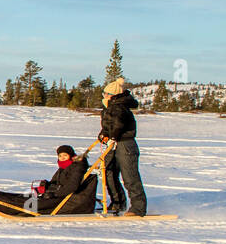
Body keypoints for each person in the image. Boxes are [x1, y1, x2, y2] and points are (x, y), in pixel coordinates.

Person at [99, 78, 146, 217]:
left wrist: (112, 137)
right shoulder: (110, 105)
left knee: (130, 176)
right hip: (113, 143)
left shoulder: (119, 106)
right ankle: (118, 203)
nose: (104, 96)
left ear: (112, 95)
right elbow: (108, 125)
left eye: (106, 94)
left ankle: (138, 208)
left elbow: (118, 125)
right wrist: (103, 135)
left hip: (125, 144)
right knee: (108, 171)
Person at [31, 144, 96, 214]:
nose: (62, 158)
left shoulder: (77, 167)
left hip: (63, 199)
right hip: (58, 195)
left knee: (26, 203)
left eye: (65, 155)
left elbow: (72, 186)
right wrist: (45, 185)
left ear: (71, 155)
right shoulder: (63, 167)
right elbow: (54, 182)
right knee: (21, 198)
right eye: (60, 156)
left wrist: (54, 194)